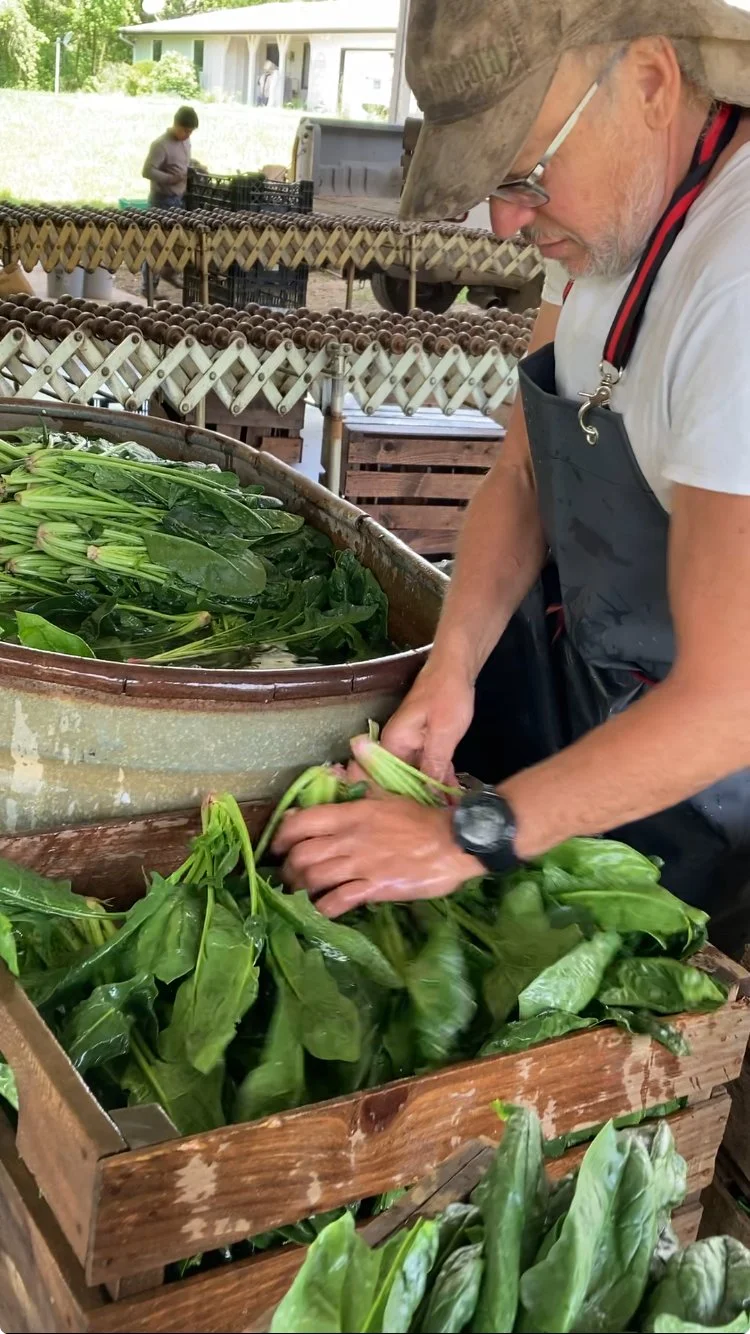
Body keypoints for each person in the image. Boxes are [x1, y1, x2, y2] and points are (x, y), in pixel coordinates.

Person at [274, 0, 750, 953]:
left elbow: (731, 701)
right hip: (604, 703)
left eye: (525, 176)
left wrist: (464, 837)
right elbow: (524, 475)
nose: (503, 221)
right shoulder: (618, 213)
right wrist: (452, 672)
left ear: (652, 81)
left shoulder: (734, 288)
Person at [141, 105, 200, 295]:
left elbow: (183, 162)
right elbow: (147, 171)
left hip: (179, 199)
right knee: (156, 244)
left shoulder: (186, 143)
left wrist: (194, 167)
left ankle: (170, 270)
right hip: (162, 199)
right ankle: (149, 287)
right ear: (176, 125)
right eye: (185, 130)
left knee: (178, 241)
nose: (188, 135)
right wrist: (169, 179)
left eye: (191, 132)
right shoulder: (161, 145)